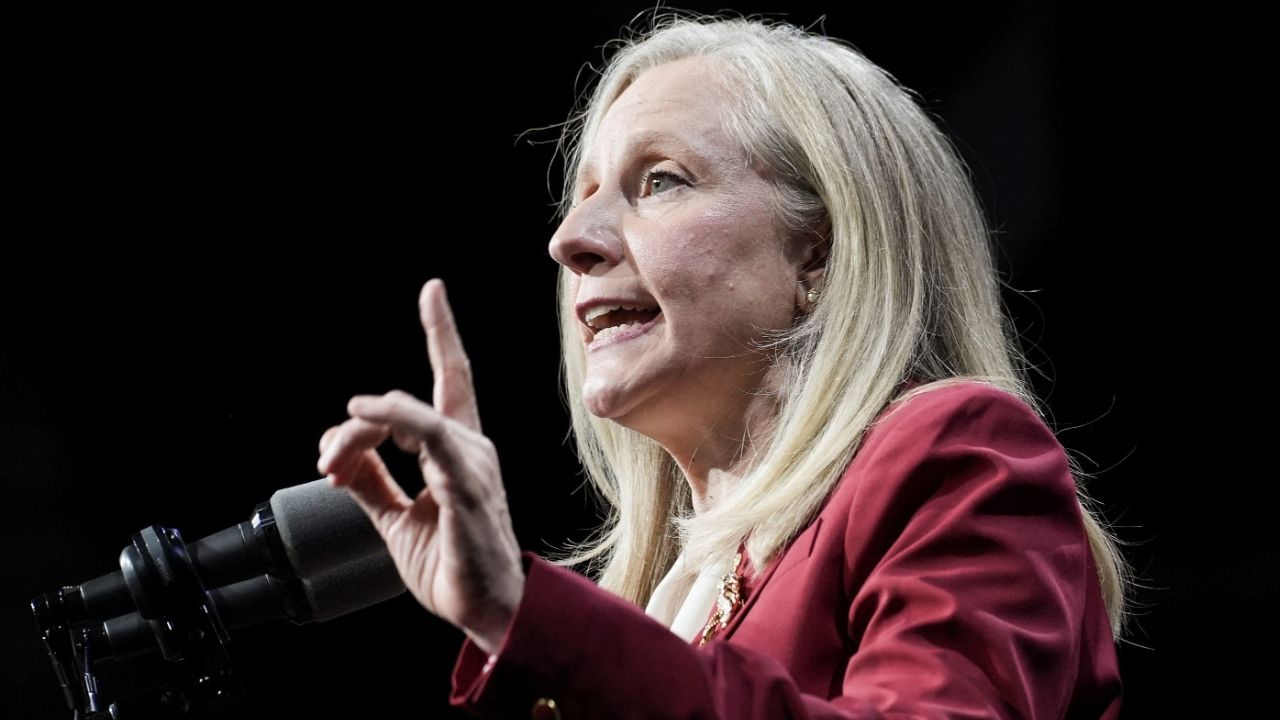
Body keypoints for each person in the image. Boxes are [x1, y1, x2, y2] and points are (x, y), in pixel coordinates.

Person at [316, 12, 1127, 719]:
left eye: (660, 181)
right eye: (585, 193)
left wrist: (526, 613)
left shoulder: (955, 454)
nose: (570, 240)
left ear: (819, 253)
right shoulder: (656, 604)